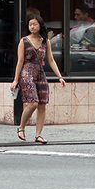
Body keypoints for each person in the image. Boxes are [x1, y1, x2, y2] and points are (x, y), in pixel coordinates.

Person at [11, 14, 65, 144]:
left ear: (40, 25)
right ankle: (21, 127)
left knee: (42, 105)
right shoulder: (24, 41)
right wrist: (15, 79)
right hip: (26, 73)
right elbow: (20, 61)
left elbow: (51, 60)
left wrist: (60, 77)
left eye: (35, 24)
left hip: (40, 74)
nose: (32, 26)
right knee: (33, 103)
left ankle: (38, 134)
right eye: (30, 24)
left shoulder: (45, 41)